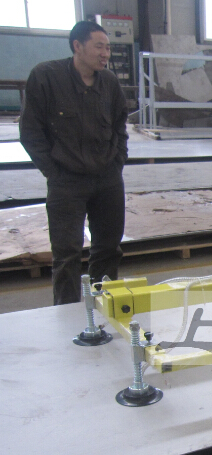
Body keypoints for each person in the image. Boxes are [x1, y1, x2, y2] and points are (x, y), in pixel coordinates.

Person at [20, 20, 128, 305]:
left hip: (107, 179)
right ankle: (66, 316)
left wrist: (117, 162)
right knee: (66, 254)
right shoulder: (46, 77)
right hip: (66, 181)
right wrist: (53, 172)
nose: (105, 54)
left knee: (108, 249)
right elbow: (30, 131)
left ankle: (104, 309)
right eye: (99, 47)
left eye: (108, 48)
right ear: (77, 46)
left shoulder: (109, 83)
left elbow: (120, 126)